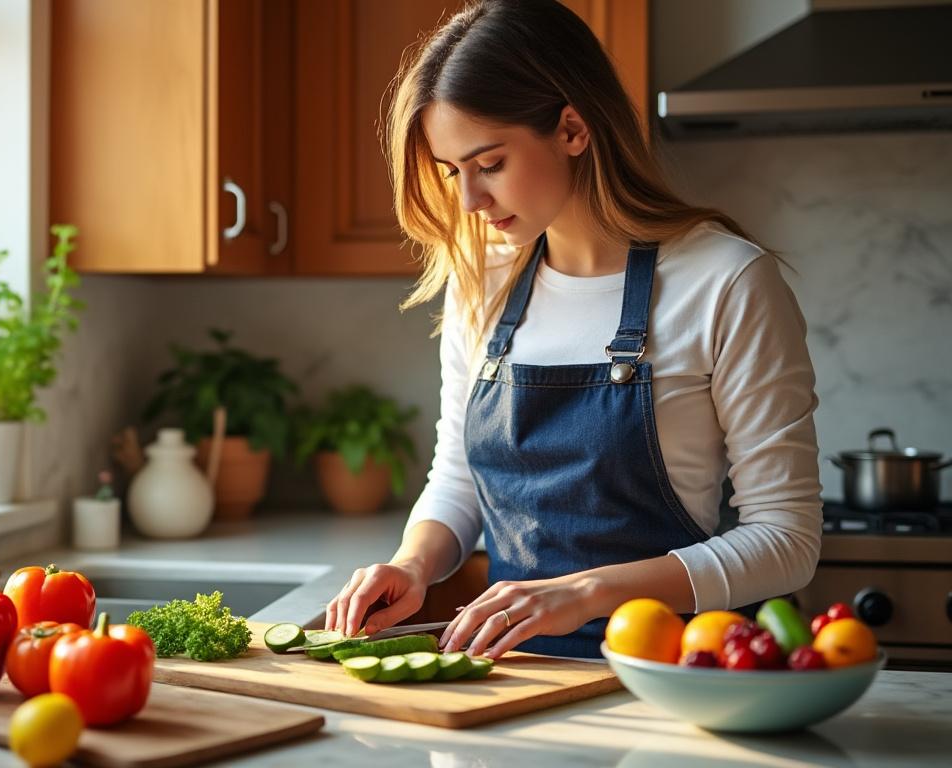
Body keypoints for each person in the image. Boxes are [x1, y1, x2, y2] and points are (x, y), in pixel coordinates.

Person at [326, 0, 822, 659]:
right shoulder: (483, 284)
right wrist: (415, 564)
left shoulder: (726, 281)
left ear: (572, 129)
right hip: (512, 680)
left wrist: (585, 593)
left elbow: (786, 540)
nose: (469, 201)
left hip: (674, 681)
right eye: (453, 172)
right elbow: (458, 479)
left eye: (490, 164)